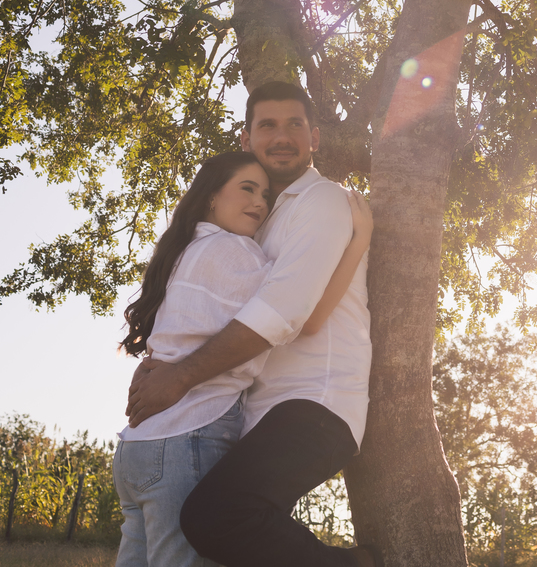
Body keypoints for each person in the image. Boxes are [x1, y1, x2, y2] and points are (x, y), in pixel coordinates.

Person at [125, 81, 379, 567]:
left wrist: (178, 378)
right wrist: (160, 360)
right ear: (246, 139)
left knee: (215, 516)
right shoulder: (255, 219)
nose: (281, 136)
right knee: (229, 542)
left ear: (315, 138)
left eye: (294, 125)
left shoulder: (323, 201)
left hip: (316, 403)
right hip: (255, 411)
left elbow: (288, 314)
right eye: (267, 125)